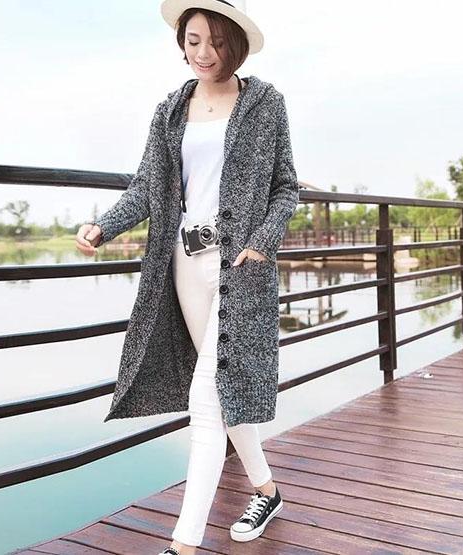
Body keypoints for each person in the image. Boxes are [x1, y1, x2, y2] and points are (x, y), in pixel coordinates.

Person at [76, 1, 298, 553]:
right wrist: (104, 226)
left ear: (235, 44)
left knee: (205, 403)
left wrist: (262, 242)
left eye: (216, 42)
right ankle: (267, 491)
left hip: (241, 270)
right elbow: (147, 185)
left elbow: (286, 187)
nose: (203, 53)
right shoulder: (171, 109)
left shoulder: (265, 102)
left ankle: (184, 545)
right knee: (222, 391)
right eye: (193, 40)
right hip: (183, 265)